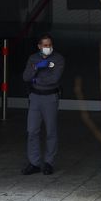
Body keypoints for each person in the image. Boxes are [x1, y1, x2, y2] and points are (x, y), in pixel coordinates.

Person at [21, 34, 65, 175]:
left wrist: (36, 80)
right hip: (35, 97)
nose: (48, 48)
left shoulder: (58, 59)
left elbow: (54, 79)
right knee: (32, 130)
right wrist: (36, 68)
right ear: (39, 46)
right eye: (45, 45)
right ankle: (34, 162)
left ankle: (48, 162)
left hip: (50, 97)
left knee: (51, 131)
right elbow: (26, 77)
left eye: (50, 45)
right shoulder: (33, 58)